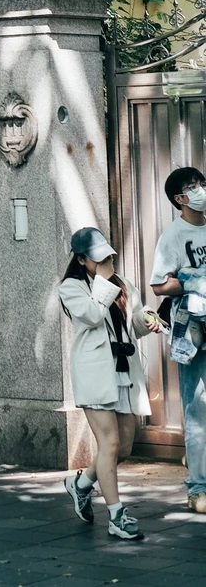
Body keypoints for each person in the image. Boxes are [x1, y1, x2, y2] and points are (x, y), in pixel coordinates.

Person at [60, 226, 160, 543]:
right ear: (81, 260)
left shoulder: (123, 284)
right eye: (100, 258)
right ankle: (117, 516)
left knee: (124, 448)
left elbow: (134, 324)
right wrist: (105, 282)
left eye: (109, 256)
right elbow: (91, 315)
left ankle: (81, 484)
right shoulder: (71, 287)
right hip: (94, 374)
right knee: (109, 444)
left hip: (124, 372)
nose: (108, 262)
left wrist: (147, 319)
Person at [149, 164, 206, 514]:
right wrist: (191, 281)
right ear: (180, 199)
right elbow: (159, 285)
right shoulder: (172, 236)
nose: (201, 190)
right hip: (195, 333)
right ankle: (198, 488)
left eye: (203, 183)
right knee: (197, 410)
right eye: (194, 187)